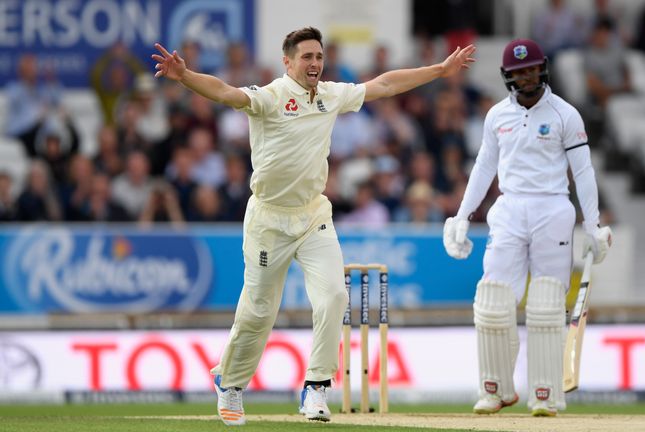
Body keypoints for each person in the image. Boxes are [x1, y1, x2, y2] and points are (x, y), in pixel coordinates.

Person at [152, 27, 475, 425]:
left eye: (319, 57)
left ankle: (316, 387)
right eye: (306, 57)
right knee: (258, 311)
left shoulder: (330, 95)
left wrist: (441, 70)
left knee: (334, 297)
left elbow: (386, 84)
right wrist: (185, 76)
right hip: (269, 219)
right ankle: (231, 382)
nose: (315, 64)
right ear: (287, 61)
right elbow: (225, 92)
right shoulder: (270, 97)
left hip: (313, 216)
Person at [442, 39, 612, 417]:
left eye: (532, 68)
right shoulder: (496, 116)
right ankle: (495, 389)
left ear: (543, 68)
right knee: (491, 302)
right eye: (519, 71)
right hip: (509, 208)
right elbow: (484, 167)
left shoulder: (566, 114)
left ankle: (545, 393)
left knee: (547, 305)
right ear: (508, 76)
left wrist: (594, 223)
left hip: (553, 208)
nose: (527, 75)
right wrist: (462, 216)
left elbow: (583, 171)